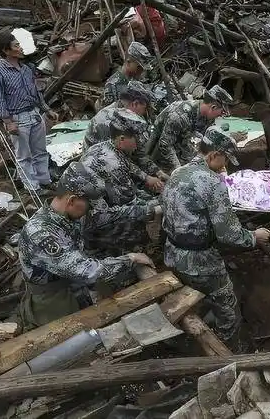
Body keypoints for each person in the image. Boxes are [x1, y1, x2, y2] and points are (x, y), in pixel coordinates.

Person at [161, 126, 270, 344]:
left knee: (190, 292)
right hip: (199, 262)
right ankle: (226, 348)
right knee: (227, 305)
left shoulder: (178, 172)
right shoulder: (212, 184)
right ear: (213, 155)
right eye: (225, 160)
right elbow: (230, 236)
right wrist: (254, 236)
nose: (226, 165)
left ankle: (178, 337)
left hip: (172, 253)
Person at [17, 166, 154, 329]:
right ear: (72, 200)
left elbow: (108, 216)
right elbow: (88, 271)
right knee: (74, 344)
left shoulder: (69, 216)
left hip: (74, 285)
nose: (91, 208)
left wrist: (151, 209)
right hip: (55, 299)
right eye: (89, 204)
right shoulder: (41, 233)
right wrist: (131, 258)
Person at [76, 110, 162, 252]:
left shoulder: (103, 146)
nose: (139, 144)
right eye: (137, 139)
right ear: (122, 139)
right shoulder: (113, 165)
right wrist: (159, 202)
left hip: (89, 208)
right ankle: (123, 250)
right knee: (144, 215)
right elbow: (129, 201)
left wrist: (146, 177)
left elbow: (127, 164)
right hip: (94, 220)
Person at [0, 31, 59, 193]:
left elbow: (36, 92)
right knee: (24, 156)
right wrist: (8, 122)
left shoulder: (26, 69)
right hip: (18, 119)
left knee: (40, 151)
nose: (20, 48)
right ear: (6, 51)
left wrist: (46, 109)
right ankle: (32, 188)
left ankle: (44, 181)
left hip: (34, 114)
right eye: (16, 45)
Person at [84, 80, 168, 183]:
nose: (144, 114)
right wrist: (146, 178)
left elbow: (139, 154)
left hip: (118, 158)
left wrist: (157, 172)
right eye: (145, 109)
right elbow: (114, 159)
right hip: (96, 167)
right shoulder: (108, 121)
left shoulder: (130, 119)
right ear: (135, 104)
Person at [146, 85, 233, 174]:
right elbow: (165, 144)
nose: (221, 116)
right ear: (213, 107)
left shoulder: (208, 116)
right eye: (221, 112)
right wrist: (179, 170)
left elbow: (208, 138)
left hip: (183, 141)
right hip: (160, 146)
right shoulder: (179, 116)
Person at [101, 42, 152, 108]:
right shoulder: (113, 85)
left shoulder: (135, 80)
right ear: (128, 62)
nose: (141, 71)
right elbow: (107, 113)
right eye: (139, 67)